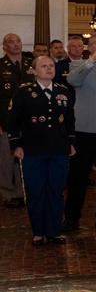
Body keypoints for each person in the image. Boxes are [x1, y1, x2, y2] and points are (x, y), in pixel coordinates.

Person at [7, 56, 74, 246]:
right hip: (32, 150)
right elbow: (12, 120)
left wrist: (71, 141)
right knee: (36, 191)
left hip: (58, 149)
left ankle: (53, 231)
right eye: (43, 66)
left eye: (51, 65)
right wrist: (16, 144)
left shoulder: (63, 91)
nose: (49, 69)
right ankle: (38, 231)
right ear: (34, 71)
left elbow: (70, 119)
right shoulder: (24, 92)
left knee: (56, 190)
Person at [62, 33, 96, 232]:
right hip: (85, 127)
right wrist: (91, 62)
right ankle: (72, 218)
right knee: (78, 175)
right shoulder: (79, 65)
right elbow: (73, 81)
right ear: (90, 48)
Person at [1, 33, 33, 208]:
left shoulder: (30, 65)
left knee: (24, 158)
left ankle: (21, 192)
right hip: (6, 120)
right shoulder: (0, 66)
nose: (16, 45)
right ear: (4, 47)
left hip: (27, 121)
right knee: (6, 159)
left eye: (18, 41)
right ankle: (8, 194)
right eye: (11, 42)